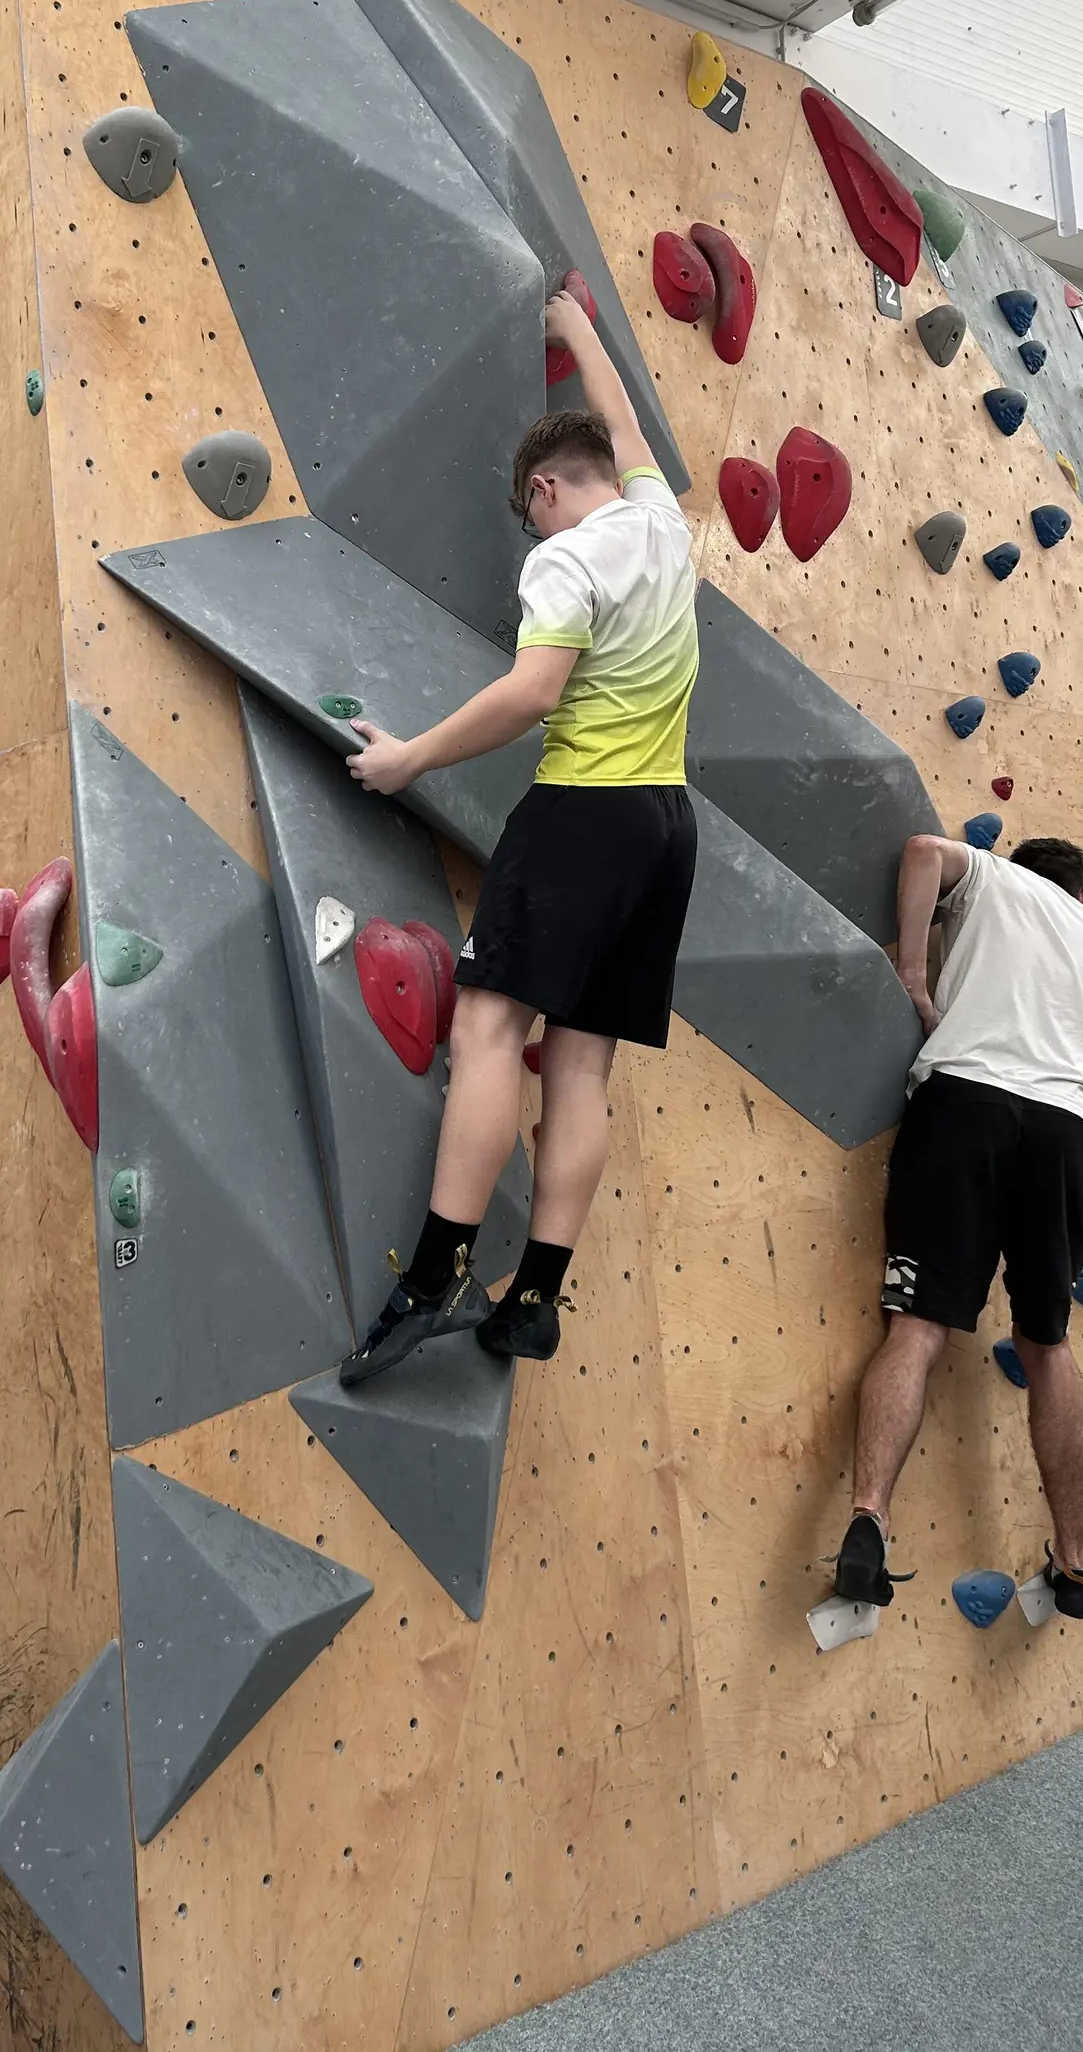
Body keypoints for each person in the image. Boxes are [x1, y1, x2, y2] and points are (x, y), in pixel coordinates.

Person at [336, 288, 699, 1384]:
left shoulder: (566, 560)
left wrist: (406, 759)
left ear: (543, 492)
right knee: (579, 1068)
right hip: (666, 829)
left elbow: (533, 691)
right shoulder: (663, 525)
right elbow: (627, 429)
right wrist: (573, 326)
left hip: (583, 809)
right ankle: (535, 1296)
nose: (530, 530)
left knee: (490, 1028)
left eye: (528, 510)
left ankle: (441, 1268)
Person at [833, 832, 1083, 1619]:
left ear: (1020, 872)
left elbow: (923, 849)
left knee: (920, 1329)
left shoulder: (994, 881)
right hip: (1064, 1131)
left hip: (965, 1101)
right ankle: (1076, 1562)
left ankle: (869, 1518)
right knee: (1047, 1343)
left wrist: (913, 976)